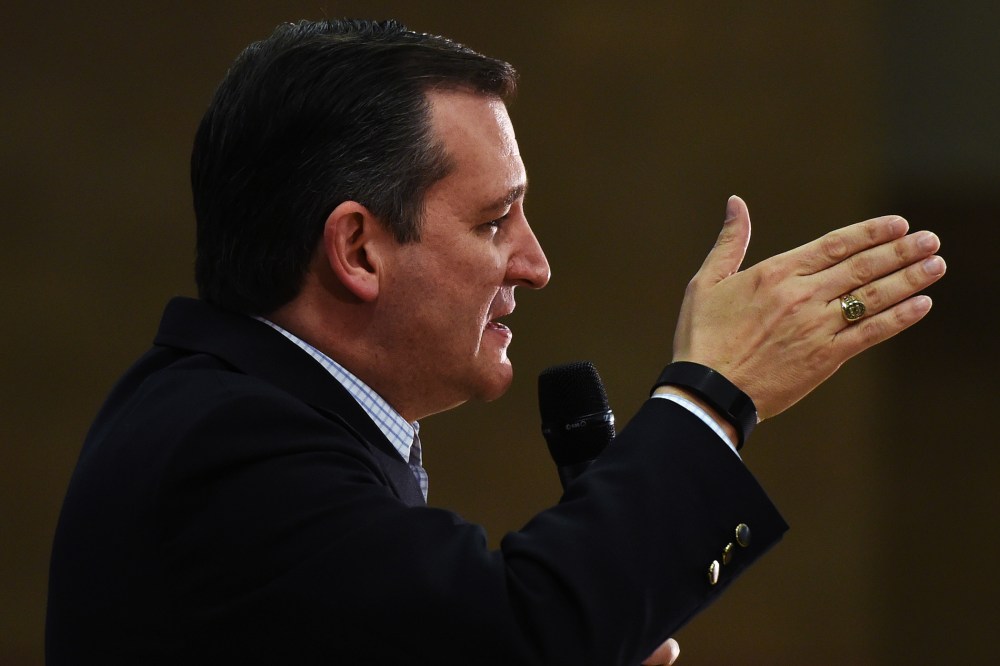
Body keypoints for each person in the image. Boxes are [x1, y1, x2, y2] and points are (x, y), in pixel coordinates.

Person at [45, 19, 946, 666]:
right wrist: (712, 395)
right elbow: (512, 634)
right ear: (357, 249)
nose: (536, 264)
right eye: (494, 221)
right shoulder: (226, 445)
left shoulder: (238, 417)